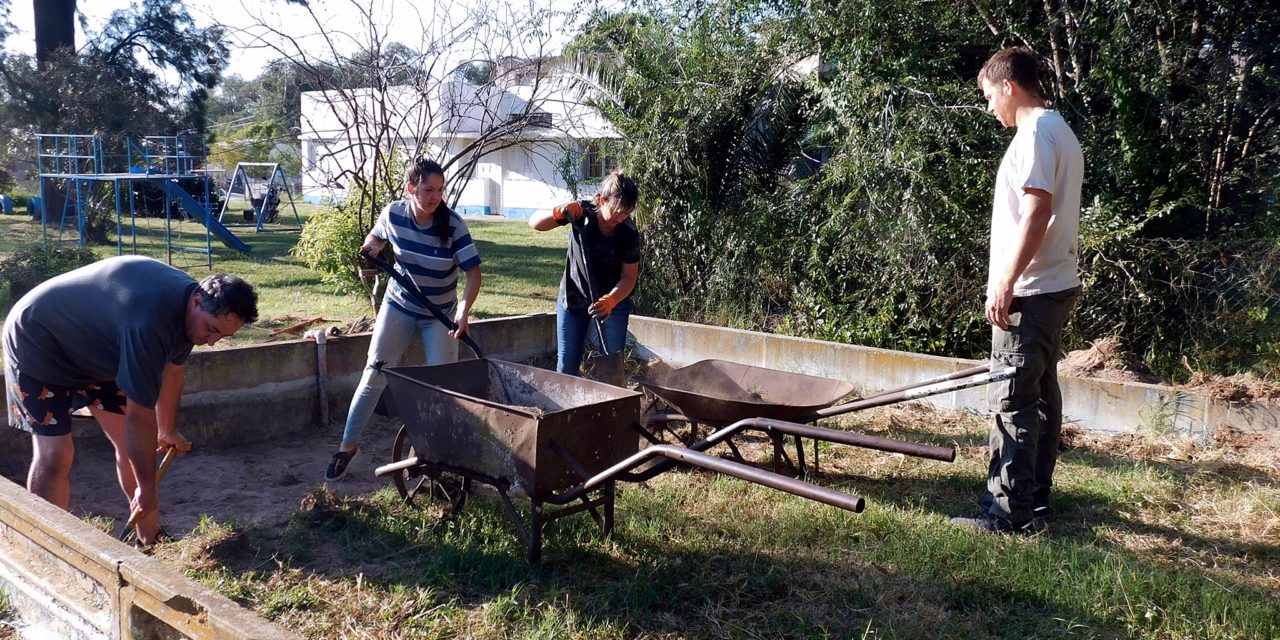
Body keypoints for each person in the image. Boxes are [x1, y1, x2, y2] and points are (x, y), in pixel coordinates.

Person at [3, 256, 258, 545]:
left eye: (222, 336)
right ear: (197, 300)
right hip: (39, 341)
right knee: (56, 454)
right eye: (211, 330)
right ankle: (43, 542)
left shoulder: (193, 318)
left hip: (101, 348)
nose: (212, 341)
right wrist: (147, 488)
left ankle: (150, 539)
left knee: (134, 449)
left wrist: (167, 430)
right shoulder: (151, 321)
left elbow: (173, 371)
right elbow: (139, 416)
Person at [951, 46, 1084, 535]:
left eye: (989, 95)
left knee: (1012, 400)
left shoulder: (1035, 133)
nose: (989, 108)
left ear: (1009, 85)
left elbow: (1036, 212)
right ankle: (1035, 500)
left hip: (1031, 291)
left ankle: (1006, 514)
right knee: (1041, 396)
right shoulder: (1060, 130)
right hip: (1055, 284)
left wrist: (1005, 282)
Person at [325, 157, 482, 481]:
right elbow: (376, 238)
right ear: (411, 188)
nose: (435, 197)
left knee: (443, 387)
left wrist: (463, 313)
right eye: (428, 190)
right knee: (375, 372)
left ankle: (430, 455)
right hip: (399, 306)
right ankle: (347, 447)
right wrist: (370, 247)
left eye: (440, 190)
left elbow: (474, 274)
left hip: (439, 314)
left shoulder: (452, 225)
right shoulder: (394, 214)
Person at [528, 171, 640, 377]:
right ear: (602, 200)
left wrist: (611, 300)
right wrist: (559, 213)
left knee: (612, 367)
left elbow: (629, 278)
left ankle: (610, 407)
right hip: (573, 299)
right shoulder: (581, 214)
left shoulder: (628, 233)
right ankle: (568, 407)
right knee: (567, 366)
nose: (621, 217)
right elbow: (534, 222)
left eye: (627, 212)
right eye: (617, 211)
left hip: (613, 303)